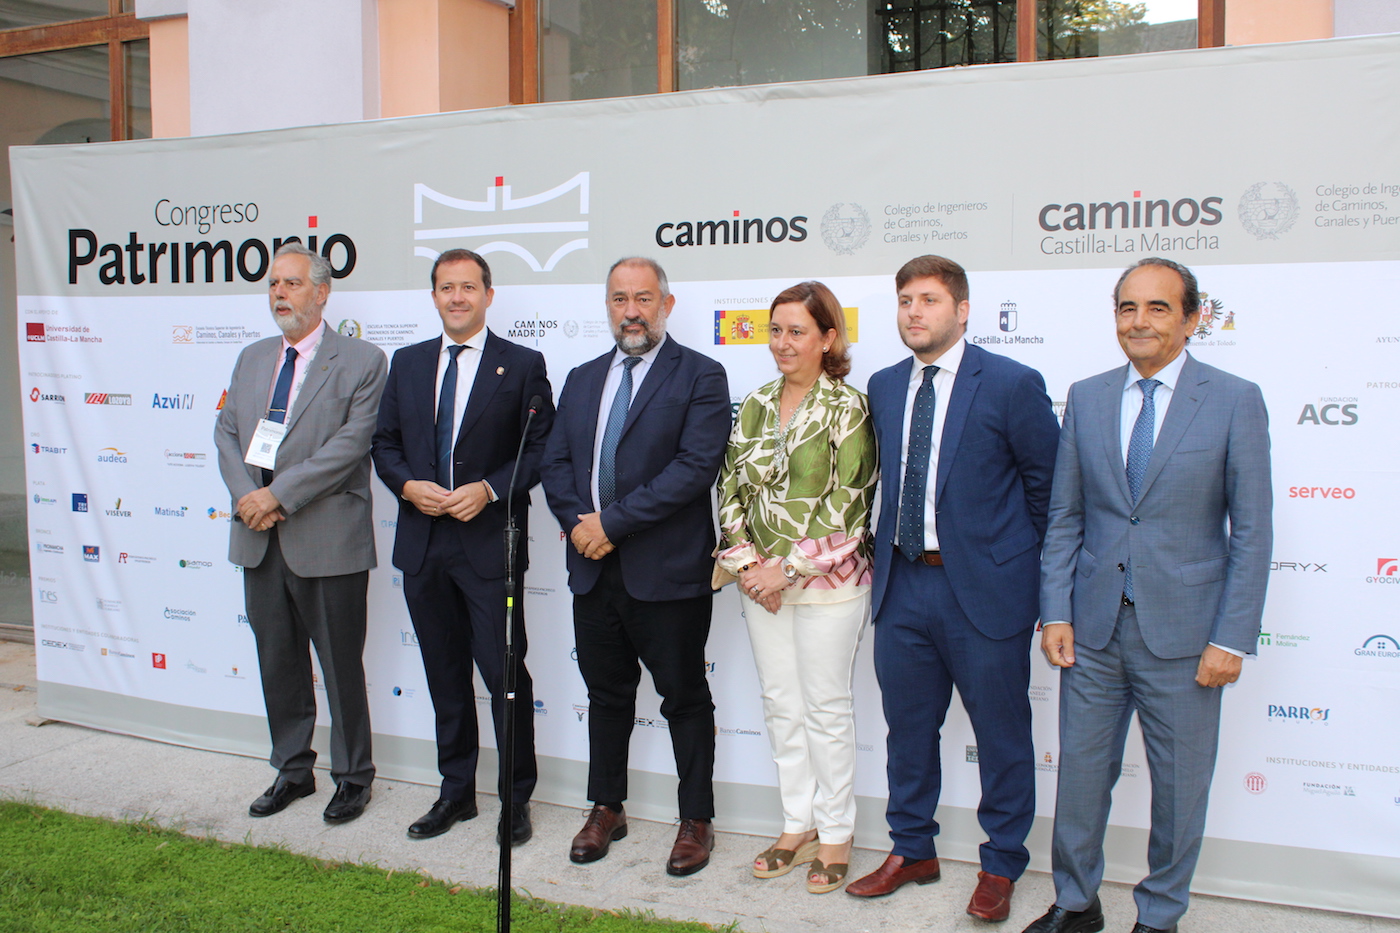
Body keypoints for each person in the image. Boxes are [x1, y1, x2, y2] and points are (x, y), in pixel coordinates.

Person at [1023, 258, 1272, 933]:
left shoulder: (1234, 399)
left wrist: (1230, 637)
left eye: (1158, 307)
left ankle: (1160, 915)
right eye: (1127, 307)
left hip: (1187, 636)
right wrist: (1056, 611)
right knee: (1080, 779)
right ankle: (1076, 903)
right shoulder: (1088, 396)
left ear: (1192, 319)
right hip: (1093, 630)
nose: (1139, 321)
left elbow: (1252, 531)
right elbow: (1066, 517)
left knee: (1181, 787)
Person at [849, 255, 1059, 922]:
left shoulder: (1012, 383)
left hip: (986, 593)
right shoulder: (884, 385)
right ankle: (912, 848)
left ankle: (1001, 864)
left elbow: (1048, 494)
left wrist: (1022, 576)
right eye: (905, 300)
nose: (914, 311)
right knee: (908, 732)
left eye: (930, 300)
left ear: (962, 311)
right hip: (903, 585)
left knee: (1002, 735)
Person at [539, 256, 731, 876]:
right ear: (608, 306)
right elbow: (555, 463)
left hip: (666, 571)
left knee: (684, 697)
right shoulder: (581, 378)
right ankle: (606, 807)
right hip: (593, 567)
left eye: (644, 299)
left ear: (666, 305)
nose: (631, 311)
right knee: (606, 695)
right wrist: (580, 525)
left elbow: (694, 469)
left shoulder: (701, 375)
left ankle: (696, 818)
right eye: (620, 299)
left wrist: (610, 525)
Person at [371, 248, 553, 845]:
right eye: (447, 287)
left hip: (488, 545)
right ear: (434, 297)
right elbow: (384, 443)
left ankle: (515, 799)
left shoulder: (521, 364)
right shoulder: (408, 363)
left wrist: (490, 489)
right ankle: (456, 793)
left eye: (468, 287)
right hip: (423, 545)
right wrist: (406, 486)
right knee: (444, 676)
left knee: (504, 677)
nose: (457, 297)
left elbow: (540, 448)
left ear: (488, 296)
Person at [214, 242, 387, 823]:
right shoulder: (251, 358)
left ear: (322, 292)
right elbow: (226, 433)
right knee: (278, 663)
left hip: (327, 539)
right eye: (273, 284)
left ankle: (353, 778)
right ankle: (292, 770)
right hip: (258, 537)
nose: (279, 294)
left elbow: (350, 445)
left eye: (291, 283)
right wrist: (247, 497)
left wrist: (277, 495)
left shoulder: (363, 360)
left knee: (340, 668)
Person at [715, 281, 877, 894]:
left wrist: (785, 570)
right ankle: (797, 823)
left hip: (829, 586)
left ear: (828, 338)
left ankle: (836, 831)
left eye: (797, 332)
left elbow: (850, 507)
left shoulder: (849, 407)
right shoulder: (755, 403)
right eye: (776, 330)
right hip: (759, 586)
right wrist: (749, 566)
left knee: (826, 708)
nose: (783, 343)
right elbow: (729, 487)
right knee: (781, 705)